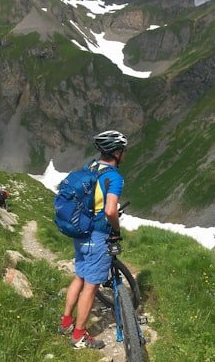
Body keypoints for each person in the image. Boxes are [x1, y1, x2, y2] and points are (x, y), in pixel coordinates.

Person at [58, 130, 128, 350]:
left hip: (80, 233)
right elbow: (109, 210)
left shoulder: (89, 168)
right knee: (90, 286)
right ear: (116, 152)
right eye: (123, 150)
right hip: (98, 235)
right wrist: (116, 230)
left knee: (79, 276)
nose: (124, 154)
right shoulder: (114, 177)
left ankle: (66, 322)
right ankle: (79, 335)